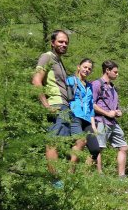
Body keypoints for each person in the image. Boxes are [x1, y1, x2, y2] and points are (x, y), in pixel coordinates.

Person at [31, 30, 70, 175]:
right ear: (52, 43)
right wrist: (46, 105)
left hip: (64, 107)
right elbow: (36, 81)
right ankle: (55, 180)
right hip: (55, 105)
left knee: (62, 143)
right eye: (60, 41)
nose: (64, 44)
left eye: (66, 42)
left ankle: (61, 178)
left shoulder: (59, 60)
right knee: (53, 142)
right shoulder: (46, 57)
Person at [91, 60, 128, 176]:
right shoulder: (96, 84)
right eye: (115, 72)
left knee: (124, 147)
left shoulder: (113, 87)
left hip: (113, 122)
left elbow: (114, 106)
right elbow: (91, 104)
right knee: (98, 148)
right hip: (100, 121)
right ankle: (98, 174)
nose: (117, 74)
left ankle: (121, 176)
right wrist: (107, 113)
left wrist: (118, 112)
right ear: (107, 70)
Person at [66, 58, 100, 169]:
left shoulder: (89, 86)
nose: (86, 70)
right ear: (79, 67)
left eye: (89, 69)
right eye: (85, 67)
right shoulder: (71, 80)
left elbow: (91, 107)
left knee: (95, 149)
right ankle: (70, 171)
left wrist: (93, 125)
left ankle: (84, 173)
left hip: (87, 119)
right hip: (75, 115)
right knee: (80, 142)